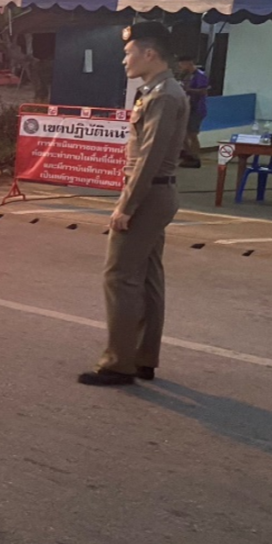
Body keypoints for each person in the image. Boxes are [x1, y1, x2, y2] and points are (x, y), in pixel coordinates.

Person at [78, 22, 187, 386]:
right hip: (156, 193)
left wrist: (125, 206)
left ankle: (118, 363)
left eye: (129, 53)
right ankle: (142, 357)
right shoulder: (158, 90)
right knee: (148, 275)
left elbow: (149, 157)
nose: (124, 60)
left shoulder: (163, 96)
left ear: (149, 54)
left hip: (148, 194)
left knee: (120, 276)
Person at [176, 54, 209, 168]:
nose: (181, 68)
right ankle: (188, 155)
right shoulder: (185, 76)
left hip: (196, 108)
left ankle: (195, 158)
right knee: (183, 133)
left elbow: (203, 91)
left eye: (182, 65)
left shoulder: (200, 75)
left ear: (188, 63)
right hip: (188, 107)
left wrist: (187, 90)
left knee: (192, 134)